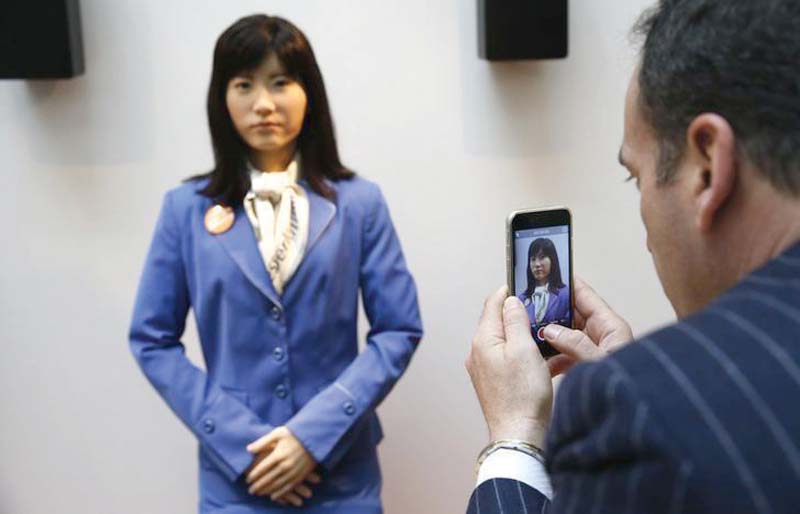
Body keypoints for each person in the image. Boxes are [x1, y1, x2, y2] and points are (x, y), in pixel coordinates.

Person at [465, 0, 800, 512]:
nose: (646, 235)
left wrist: (515, 440)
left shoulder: (636, 411)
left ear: (708, 166)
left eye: (635, 176)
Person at [128, 14, 422, 514]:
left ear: (309, 93)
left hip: (342, 475)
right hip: (237, 480)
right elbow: (151, 339)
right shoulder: (184, 210)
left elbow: (398, 329)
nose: (263, 104)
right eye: (244, 85)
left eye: (281, 82)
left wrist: (312, 437)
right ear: (222, 99)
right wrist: (247, 448)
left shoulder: (360, 203)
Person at [517, 238, 570, 328]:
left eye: (542, 257)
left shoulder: (565, 294)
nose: (537, 264)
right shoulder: (521, 299)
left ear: (552, 260)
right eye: (533, 259)